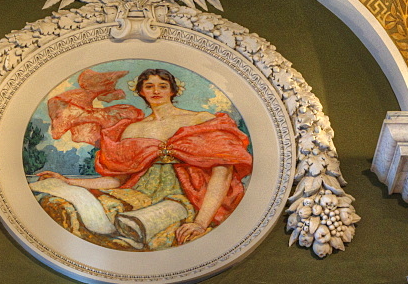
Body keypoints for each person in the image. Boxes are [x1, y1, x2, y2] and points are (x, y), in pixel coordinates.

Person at [35, 68, 252, 250]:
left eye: (162, 85)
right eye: (149, 86)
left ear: (173, 90)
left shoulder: (201, 119)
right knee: (73, 209)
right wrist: (70, 182)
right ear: (140, 91)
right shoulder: (132, 130)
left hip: (188, 195)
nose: (156, 91)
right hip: (138, 193)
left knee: (136, 227)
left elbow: (222, 173)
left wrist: (200, 222)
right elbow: (119, 180)